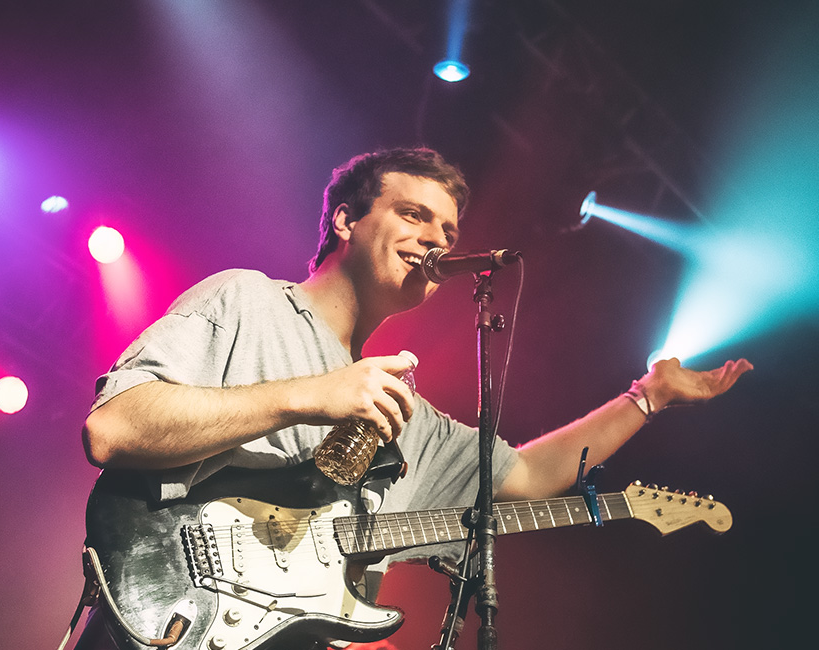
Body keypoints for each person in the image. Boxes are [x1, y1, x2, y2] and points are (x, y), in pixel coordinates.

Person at [74, 148, 752, 650]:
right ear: (345, 219)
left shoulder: (406, 417)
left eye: (449, 232)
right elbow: (114, 429)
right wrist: (311, 396)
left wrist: (649, 396)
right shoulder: (245, 300)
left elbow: (534, 477)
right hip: (165, 617)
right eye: (413, 215)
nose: (437, 240)